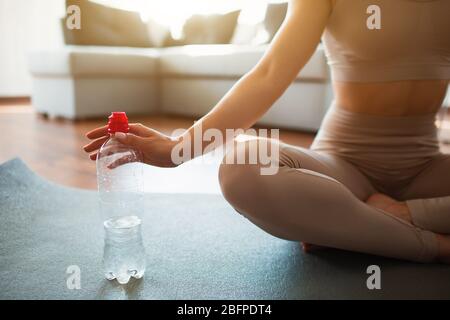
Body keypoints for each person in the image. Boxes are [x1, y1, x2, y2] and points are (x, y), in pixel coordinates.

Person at [84, 0, 450, 263]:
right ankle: (434, 245)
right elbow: (270, 74)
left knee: (345, 214)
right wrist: (178, 148)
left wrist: (405, 210)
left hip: (425, 168)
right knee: (242, 164)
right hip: (342, 167)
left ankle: (371, 224)